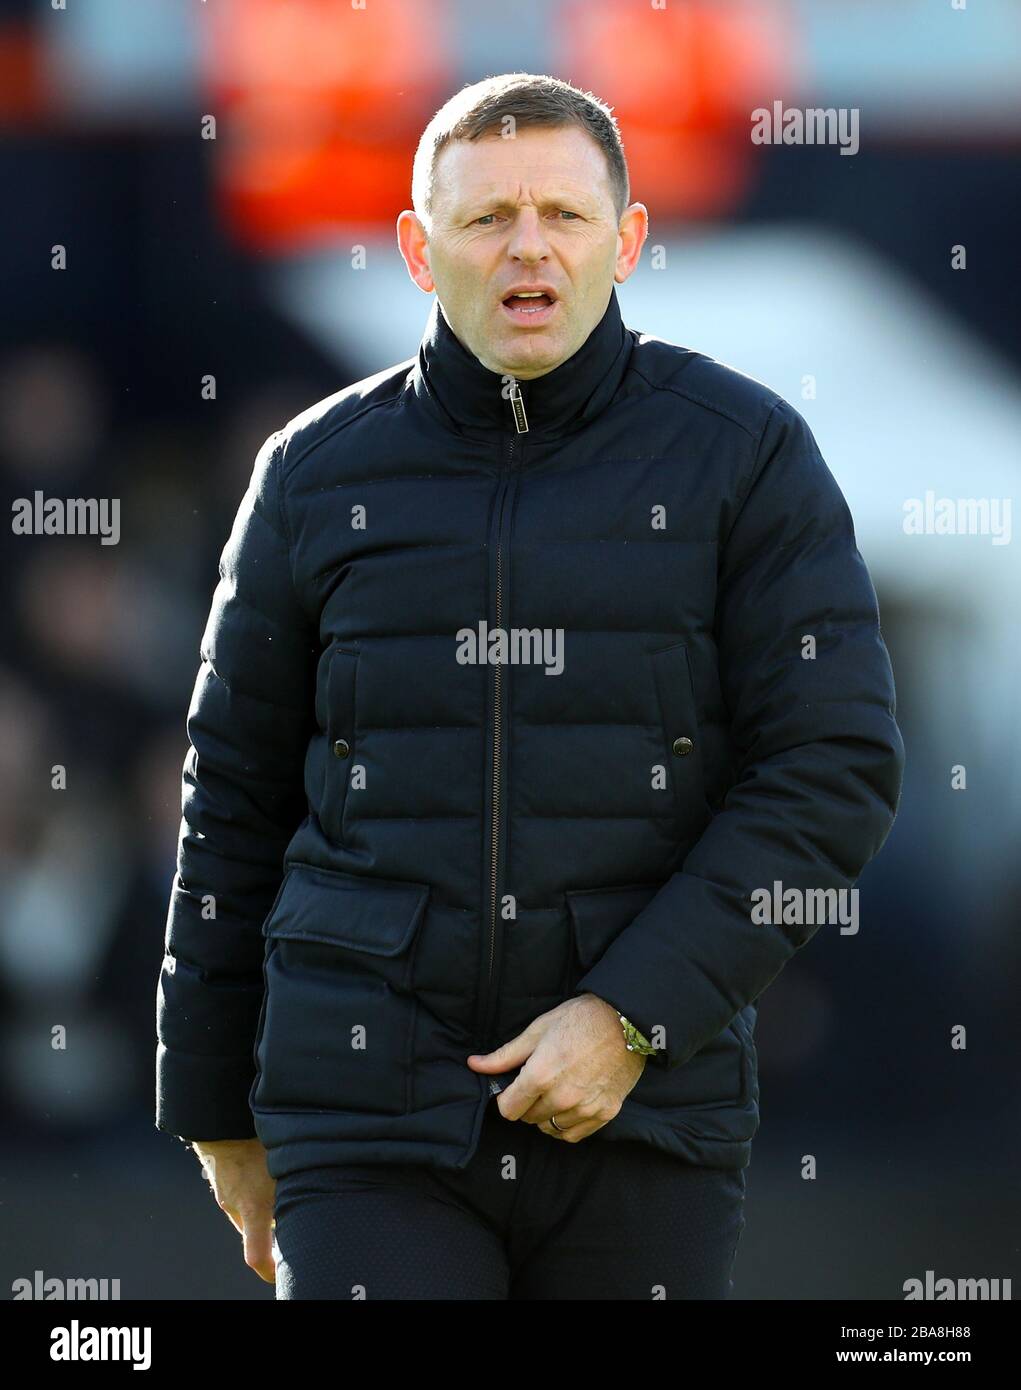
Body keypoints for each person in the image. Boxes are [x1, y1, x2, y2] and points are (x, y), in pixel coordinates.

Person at [155, 72, 905, 1300]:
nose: (527, 249)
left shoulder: (747, 454)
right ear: (415, 247)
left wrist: (630, 1016)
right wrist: (212, 1107)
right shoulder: (309, 473)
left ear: (627, 240)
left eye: (561, 215)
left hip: (646, 1117)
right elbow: (230, 798)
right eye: (486, 216)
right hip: (365, 1113)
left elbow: (833, 769)